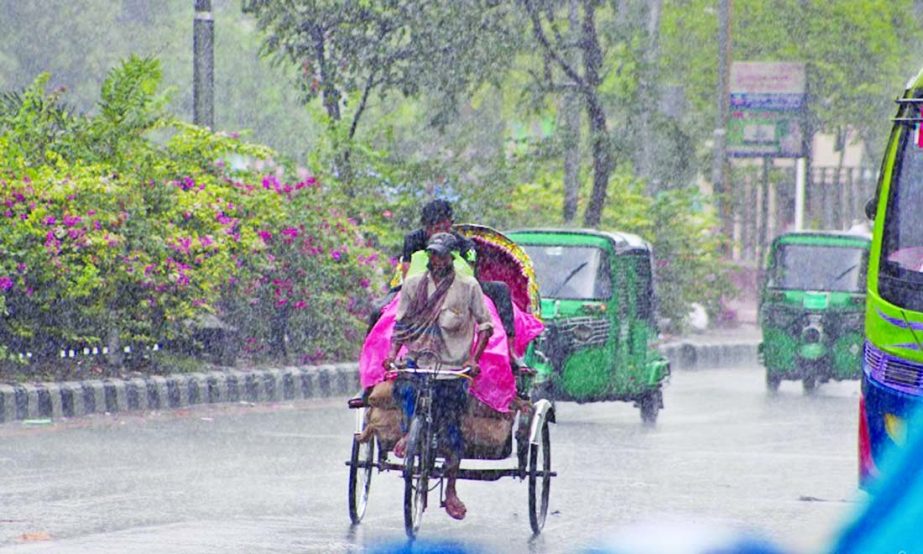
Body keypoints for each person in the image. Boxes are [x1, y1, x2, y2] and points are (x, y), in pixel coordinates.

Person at [383, 232, 493, 521]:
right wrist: (393, 355)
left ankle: (451, 491)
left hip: (451, 368)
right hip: (418, 361)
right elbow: (402, 325)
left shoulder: (468, 287)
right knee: (404, 389)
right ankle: (409, 432)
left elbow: (485, 327)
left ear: (451, 257)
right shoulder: (412, 285)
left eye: (442, 255)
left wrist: (473, 360)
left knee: (451, 432)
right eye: (432, 254)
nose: (436, 259)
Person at [400, 199, 475, 279]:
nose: (439, 233)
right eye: (434, 227)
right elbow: (406, 271)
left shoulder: (465, 245)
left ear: (451, 223)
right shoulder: (413, 239)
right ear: (425, 226)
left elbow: (470, 269)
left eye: (443, 227)